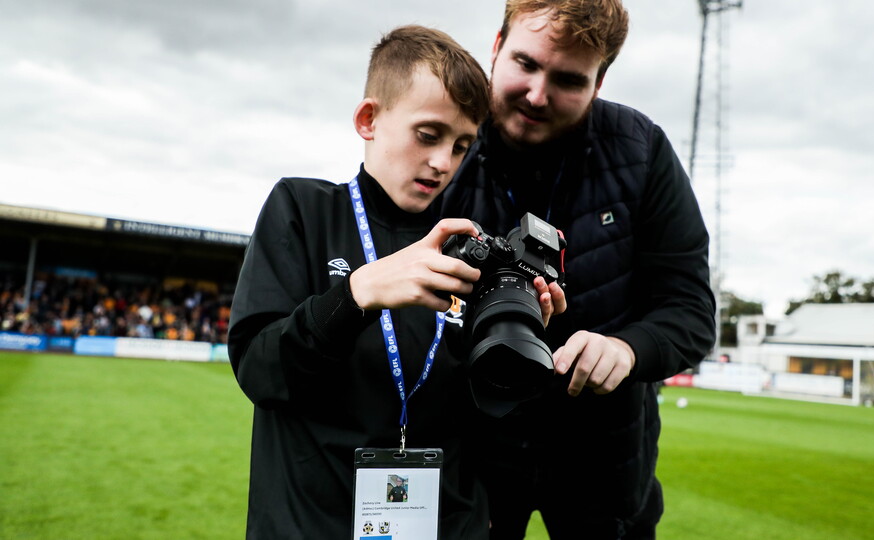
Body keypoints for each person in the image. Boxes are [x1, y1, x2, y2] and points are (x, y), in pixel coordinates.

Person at [228, 25, 562, 539]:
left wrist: (517, 336)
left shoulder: (469, 247)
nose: (442, 162)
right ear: (369, 119)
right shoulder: (303, 209)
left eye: (461, 145)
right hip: (311, 525)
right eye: (428, 135)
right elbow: (260, 370)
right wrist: (356, 294)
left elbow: (490, 419)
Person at [440, 1, 716, 538]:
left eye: (568, 79)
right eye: (525, 63)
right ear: (496, 47)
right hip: (472, 456)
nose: (538, 95)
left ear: (600, 79)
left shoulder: (640, 150)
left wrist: (627, 347)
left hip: (604, 462)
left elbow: (690, 312)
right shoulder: (444, 144)